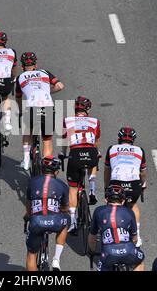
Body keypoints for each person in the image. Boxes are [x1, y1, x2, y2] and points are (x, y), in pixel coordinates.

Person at [16, 52, 65, 171]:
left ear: (22, 67)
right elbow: (60, 86)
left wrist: (21, 111)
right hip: (47, 108)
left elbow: (18, 97)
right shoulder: (44, 72)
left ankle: (26, 159)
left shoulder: (20, 78)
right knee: (47, 139)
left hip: (31, 108)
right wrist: (48, 91)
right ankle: (47, 167)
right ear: (35, 65)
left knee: (28, 130)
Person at [59, 96, 101, 234]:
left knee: (72, 187)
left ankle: (73, 221)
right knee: (95, 156)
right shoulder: (95, 121)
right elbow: (96, 141)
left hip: (75, 154)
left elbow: (64, 142)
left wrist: (62, 154)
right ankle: (92, 189)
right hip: (90, 152)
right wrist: (97, 152)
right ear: (87, 109)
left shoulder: (68, 121)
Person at [24, 156, 70, 271]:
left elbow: (29, 204)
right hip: (55, 221)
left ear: (41, 169)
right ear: (57, 171)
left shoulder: (32, 182)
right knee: (67, 220)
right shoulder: (63, 185)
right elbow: (65, 207)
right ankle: (56, 259)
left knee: (31, 254)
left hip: (36, 222)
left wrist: (28, 216)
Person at [104, 127, 147, 247]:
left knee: (112, 205)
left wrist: (106, 186)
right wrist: (143, 183)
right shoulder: (139, 150)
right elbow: (142, 172)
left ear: (119, 138)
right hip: (133, 183)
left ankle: (110, 232)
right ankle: (137, 234)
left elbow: (107, 170)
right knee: (133, 205)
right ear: (133, 139)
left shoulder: (112, 149)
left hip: (116, 181)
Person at [88, 185, 145, 271]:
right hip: (128, 250)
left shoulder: (98, 211)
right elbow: (135, 239)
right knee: (139, 263)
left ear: (106, 200)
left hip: (108, 253)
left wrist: (92, 251)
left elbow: (92, 238)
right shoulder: (129, 212)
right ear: (123, 201)